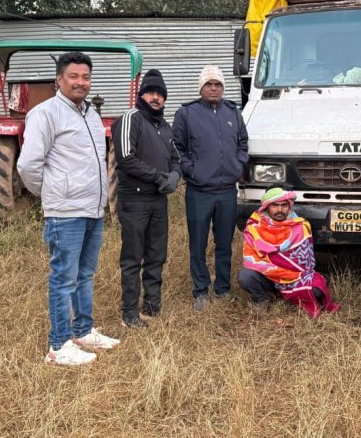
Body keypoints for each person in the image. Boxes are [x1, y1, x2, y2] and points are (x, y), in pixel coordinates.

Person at [18, 51, 120, 366]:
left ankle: (83, 330)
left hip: (92, 210)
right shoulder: (45, 114)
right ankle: (59, 345)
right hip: (66, 213)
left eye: (85, 77)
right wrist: (53, 194)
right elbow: (28, 166)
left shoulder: (89, 113)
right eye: (73, 76)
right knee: (63, 278)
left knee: (85, 274)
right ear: (59, 80)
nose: (80, 82)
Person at [173, 65, 249, 311]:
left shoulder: (232, 112)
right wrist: (191, 170)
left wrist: (238, 165)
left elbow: (243, 142)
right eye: (209, 84)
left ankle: (223, 288)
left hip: (227, 189)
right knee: (198, 243)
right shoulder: (187, 113)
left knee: (225, 242)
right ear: (201, 88)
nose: (214, 88)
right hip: (199, 191)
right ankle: (200, 291)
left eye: (218, 84)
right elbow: (178, 147)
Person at [111, 69, 181, 328]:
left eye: (160, 94)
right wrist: (158, 177)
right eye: (151, 92)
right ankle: (129, 313)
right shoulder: (132, 118)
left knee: (156, 254)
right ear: (141, 94)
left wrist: (174, 175)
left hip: (158, 201)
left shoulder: (164, 126)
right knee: (132, 257)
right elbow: (126, 158)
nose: (156, 98)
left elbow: (176, 158)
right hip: (135, 201)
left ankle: (152, 306)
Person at [238, 187, 340, 317]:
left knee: (317, 291)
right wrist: (274, 272)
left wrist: (285, 275)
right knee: (245, 276)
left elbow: (305, 265)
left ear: (289, 207)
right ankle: (263, 298)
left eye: (284, 205)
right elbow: (251, 259)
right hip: (267, 277)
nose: (280, 210)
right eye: (275, 205)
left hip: (295, 278)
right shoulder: (255, 227)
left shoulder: (301, 226)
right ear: (267, 207)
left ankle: (286, 293)